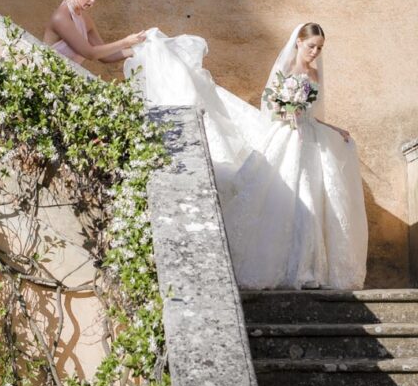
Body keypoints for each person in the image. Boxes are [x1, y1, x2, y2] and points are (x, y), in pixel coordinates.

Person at [125, 23, 368, 290]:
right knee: (291, 199)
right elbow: (271, 105)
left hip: (309, 139)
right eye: (311, 46)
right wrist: (288, 112)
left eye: (319, 48)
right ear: (298, 42)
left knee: (313, 200)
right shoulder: (286, 69)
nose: (315, 52)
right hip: (287, 136)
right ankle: (289, 267)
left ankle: (308, 270)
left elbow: (314, 115)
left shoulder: (315, 74)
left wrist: (334, 129)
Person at [43, 0, 145, 65]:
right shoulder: (61, 17)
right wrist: (126, 42)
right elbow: (90, 54)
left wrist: (140, 50)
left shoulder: (85, 19)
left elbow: (106, 57)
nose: (93, 1)